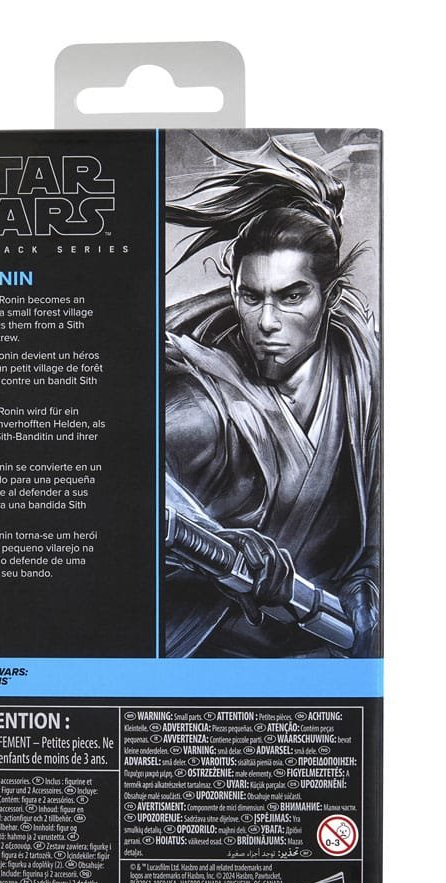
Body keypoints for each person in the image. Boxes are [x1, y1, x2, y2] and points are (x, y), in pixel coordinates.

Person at [164, 138, 380, 658]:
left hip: (320, 657)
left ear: (330, 296)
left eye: (291, 296)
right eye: (251, 296)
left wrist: (369, 581)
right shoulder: (199, 401)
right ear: (233, 290)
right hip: (204, 659)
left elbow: (378, 512)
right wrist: (212, 538)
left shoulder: (363, 371)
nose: (266, 322)